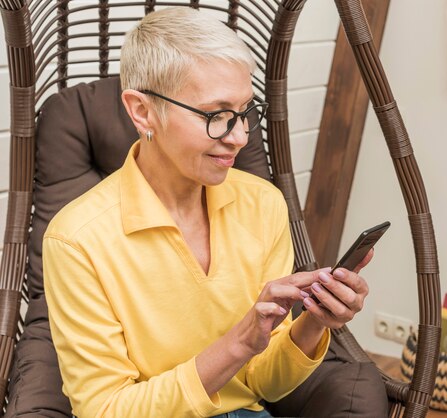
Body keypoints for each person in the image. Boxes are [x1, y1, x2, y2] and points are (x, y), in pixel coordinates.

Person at [42, 7, 373, 418]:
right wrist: (239, 341)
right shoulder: (76, 239)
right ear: (142, 111)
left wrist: (315, 322)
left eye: (245, 113)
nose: (238, 137)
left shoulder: (263, 204)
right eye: (216, 116)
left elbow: (263, 384)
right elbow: (104, 410)